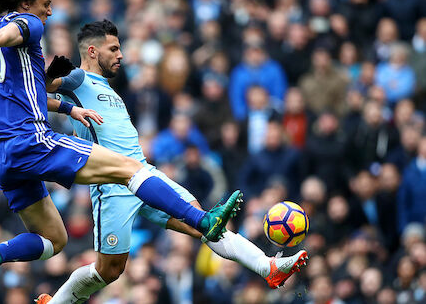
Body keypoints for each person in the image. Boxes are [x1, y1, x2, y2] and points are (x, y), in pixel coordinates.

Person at [0, 0, 238, 303]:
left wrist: (71, 110)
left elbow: (29, 90)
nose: (50, 10)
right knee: (130, 168)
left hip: (2, 153)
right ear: (26, 3)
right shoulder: (27, 24)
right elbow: (17, 29)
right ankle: (204, 219)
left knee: (54, 239)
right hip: (30, 139)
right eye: (46, 2)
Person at [35, 20, 309, 304]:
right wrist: (50, 81)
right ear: (92, 51)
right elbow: (38, 93)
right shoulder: (79, 78)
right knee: (109, 271)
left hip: (144, 175)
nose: (121, 55)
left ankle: (268, 267)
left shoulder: (107, 86)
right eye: (114, 49)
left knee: (205, 223)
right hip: (113, 187)